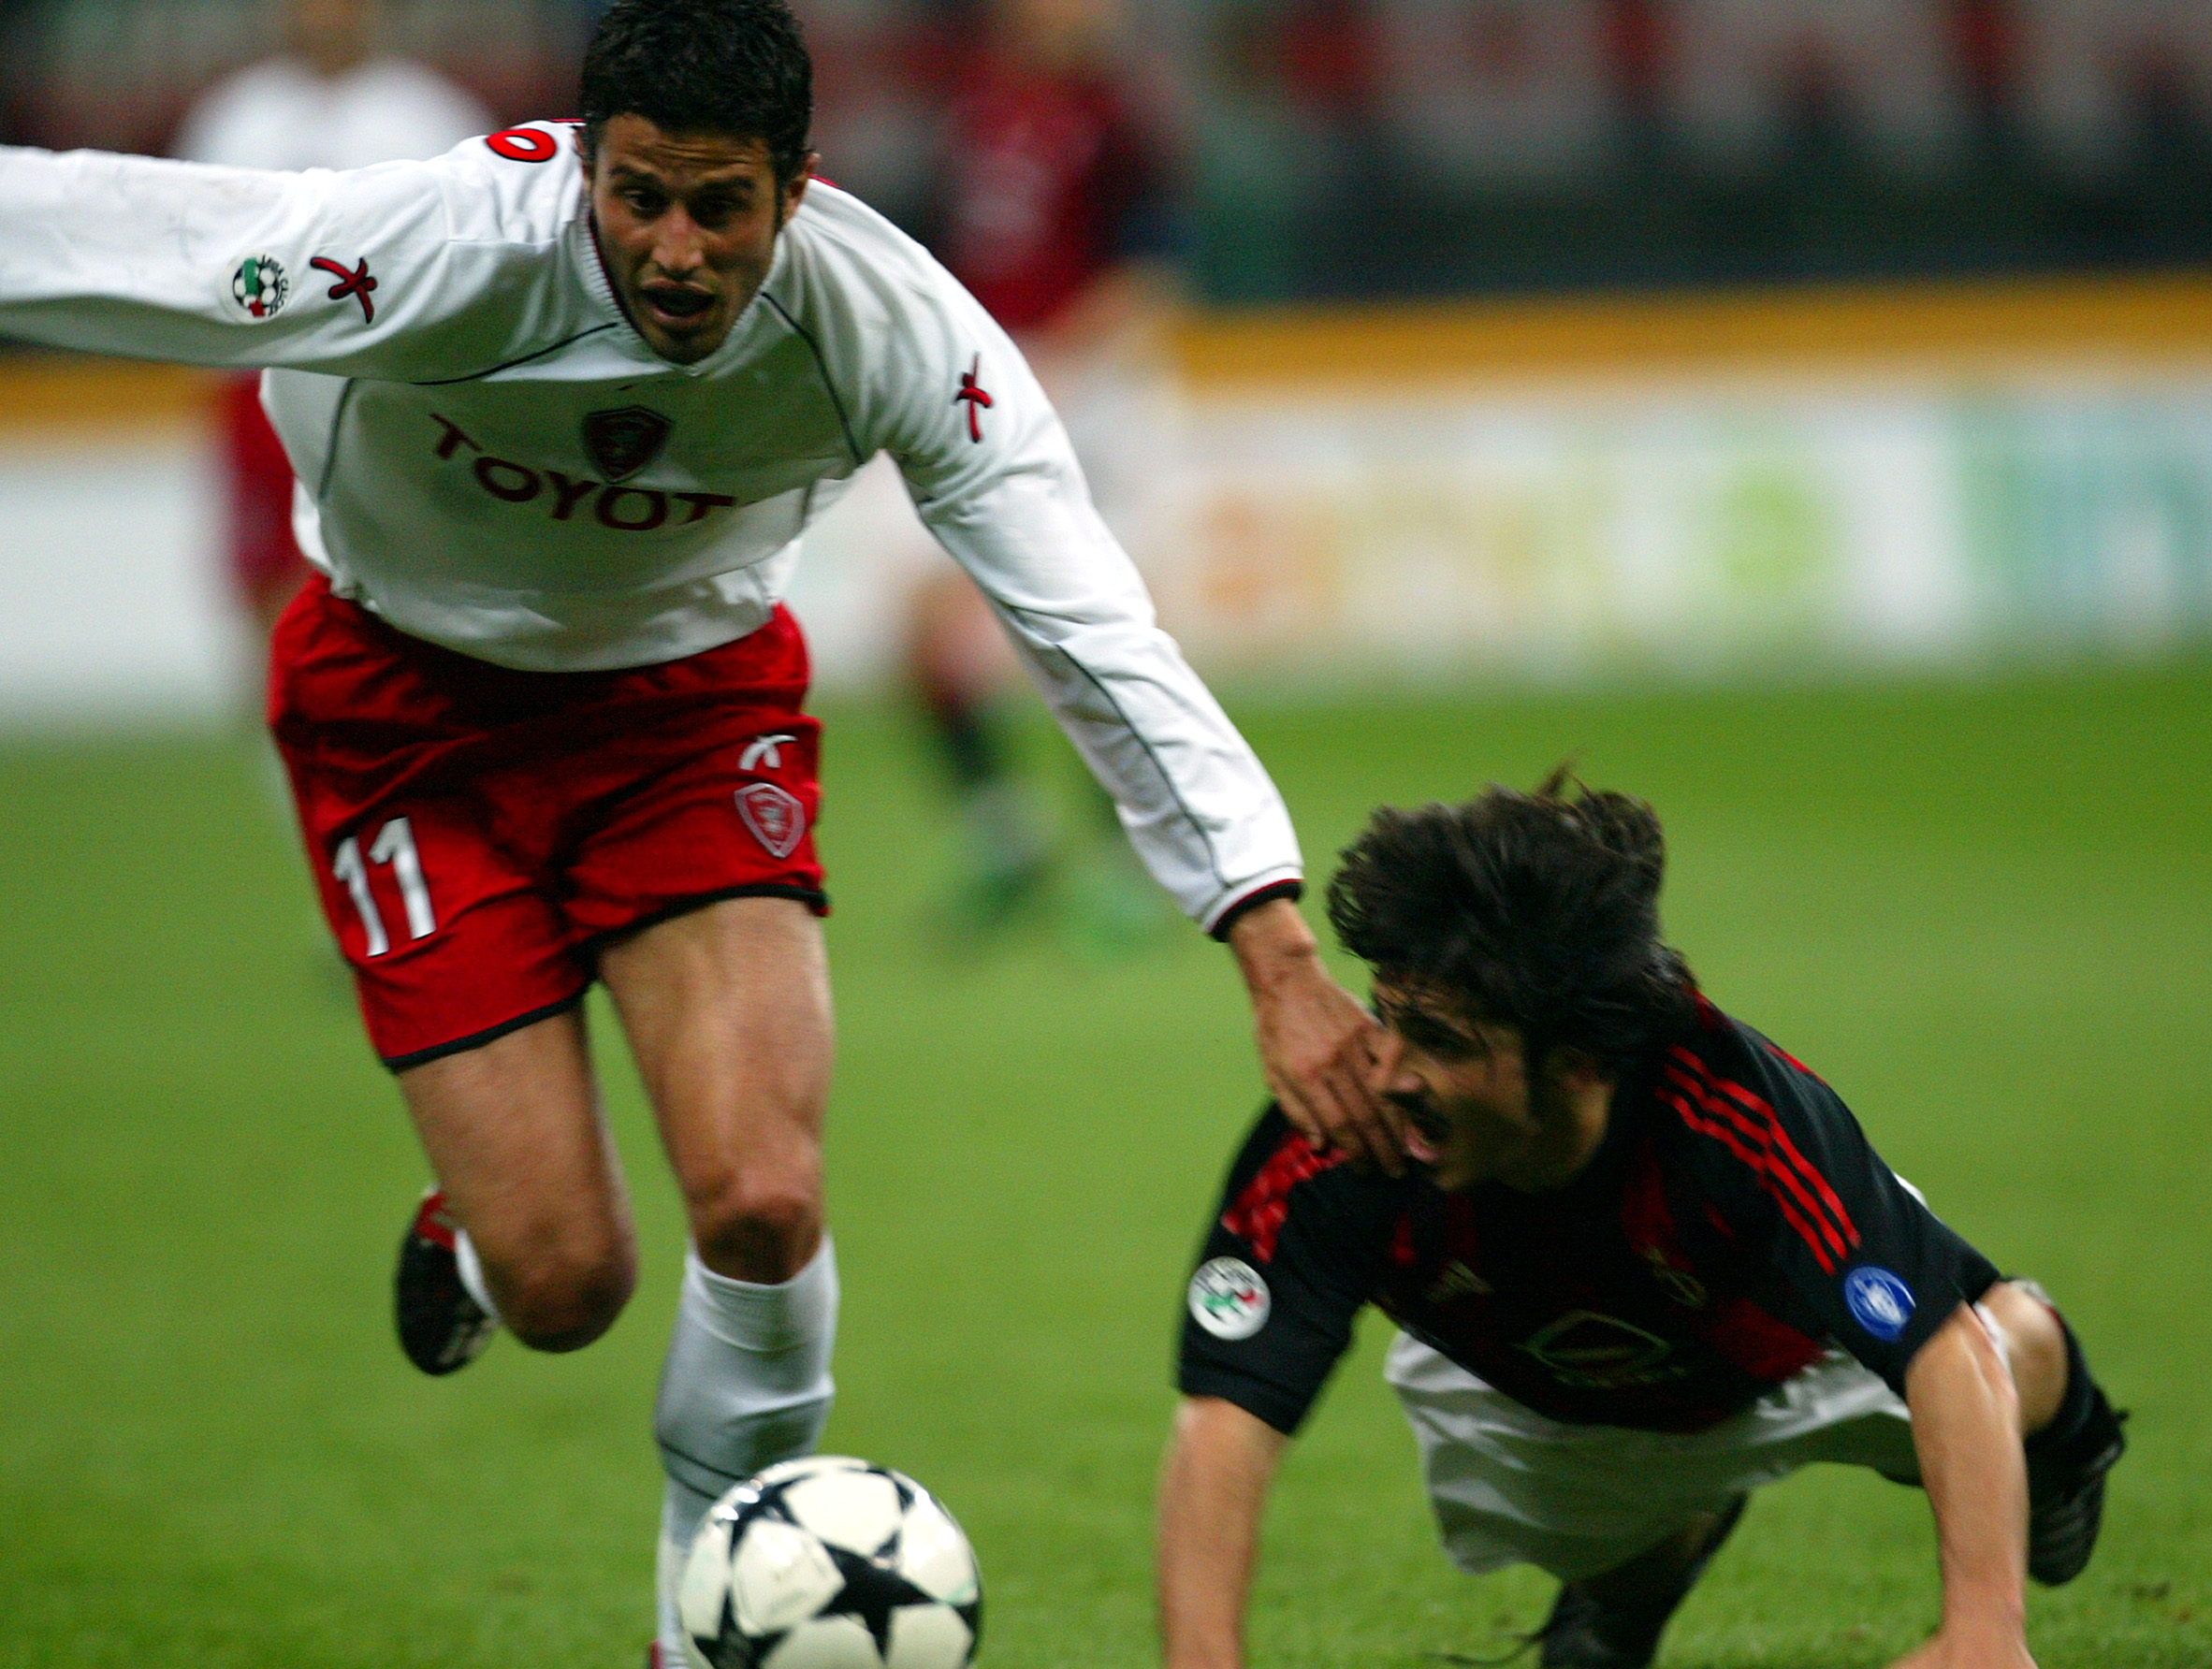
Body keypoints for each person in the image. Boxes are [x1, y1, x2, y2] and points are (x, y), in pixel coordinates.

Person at [0, 4, 1395, 1663]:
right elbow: (112, 232)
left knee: (759, 1193)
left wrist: (1272, 933)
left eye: (719, 204)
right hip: (401, 720)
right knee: (565, 1279)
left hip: (683, 712)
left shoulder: (889, 326)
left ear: (795, 189)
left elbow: (1090, 626)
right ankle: (485, 1209)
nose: (675, 250)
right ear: (585, 165)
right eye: (641, 195)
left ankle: (698, 1625)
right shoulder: (437, 243)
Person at [1158, 774, 2127, 1669]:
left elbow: (1937, 1347)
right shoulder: (1344, 1128)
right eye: (1389, 1014)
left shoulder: (1730, 1117)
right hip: (1547, 1391)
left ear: (1579, 1061)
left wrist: (1984, 1629)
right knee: (1590, 1530)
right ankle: (1645, 1564)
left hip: (1798, 1351)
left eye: (1444, 1041)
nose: (1389, 1070)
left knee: (2002, 1350)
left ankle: (2070, 1433)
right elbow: (1223, 1422)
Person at [904, 0, 1184, 940]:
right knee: (923, 620)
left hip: (1089, 384)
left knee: (1105, 624)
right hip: (984, 374)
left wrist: (1064, 358)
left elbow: (1154, 272)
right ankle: (1007, 842)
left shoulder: (1122, 116)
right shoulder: (974, 104)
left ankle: (1121, 864)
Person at [173, 0, 492, 648]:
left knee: (395, 571)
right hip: (255, 382)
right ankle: (279, 737)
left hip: (388, 388)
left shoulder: (433, 115)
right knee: (265, 578)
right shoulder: (235, 115)